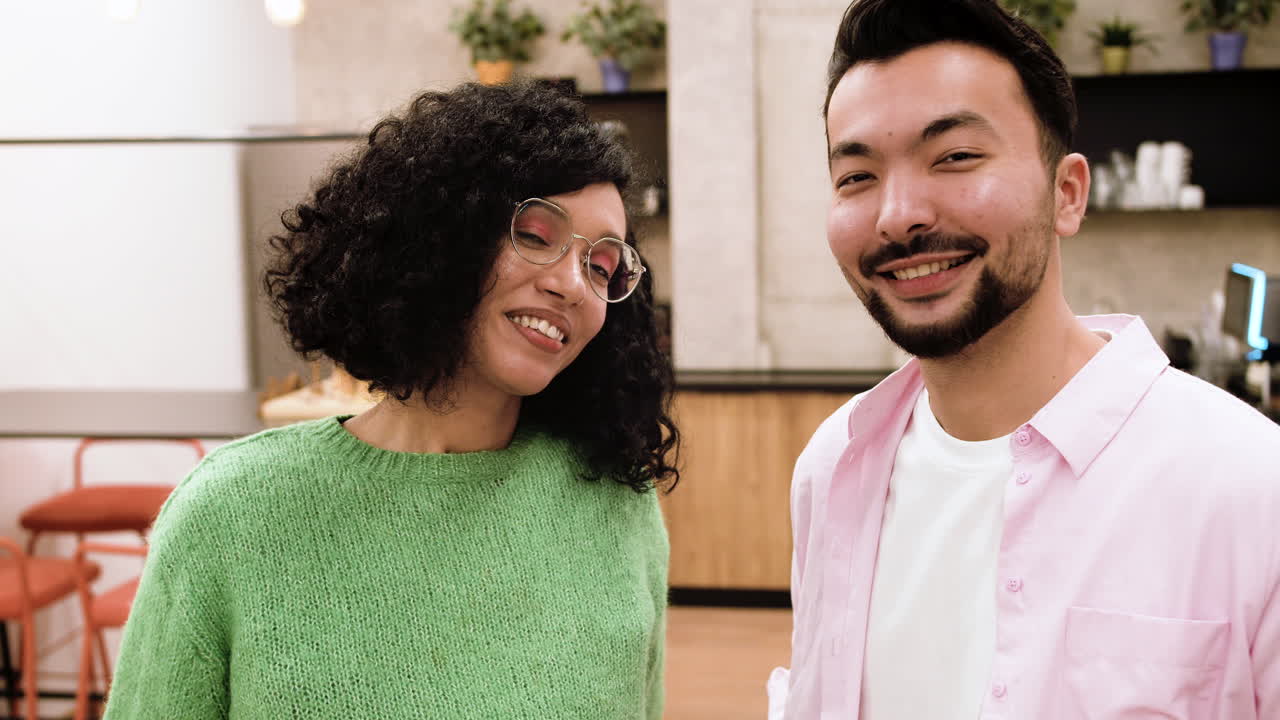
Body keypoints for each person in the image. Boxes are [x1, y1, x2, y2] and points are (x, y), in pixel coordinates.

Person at [103, 79, 679, 720]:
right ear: (441, 237)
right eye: (537, 235)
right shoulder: (231, 516)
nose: (574, 285)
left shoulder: (613, 500)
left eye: (602, 267)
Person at [767, 0, 1280, 718]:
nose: (898, 214)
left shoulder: (1252, 486)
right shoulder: (835, 466)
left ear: (1067, 194)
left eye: (954, 157)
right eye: (857, 176)